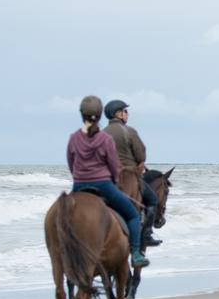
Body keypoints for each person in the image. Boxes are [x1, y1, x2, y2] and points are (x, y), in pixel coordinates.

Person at [66, 95, 149, 268]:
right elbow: (113, 166)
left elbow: (71, 163)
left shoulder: (74, 137)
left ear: (82, 114)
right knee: (133, 215)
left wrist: (79, 178)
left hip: (79, 186)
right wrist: (113, 181)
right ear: (98, 114)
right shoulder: (104, 139)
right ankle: (135, 254)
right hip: (103, 185)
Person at [103, 99, 162, 247]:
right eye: (125, 111)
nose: (127, 114)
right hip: (128, 177)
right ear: (118, 114)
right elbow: (141, 155)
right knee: (152, 200)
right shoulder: (129, 131)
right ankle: (146, 235)